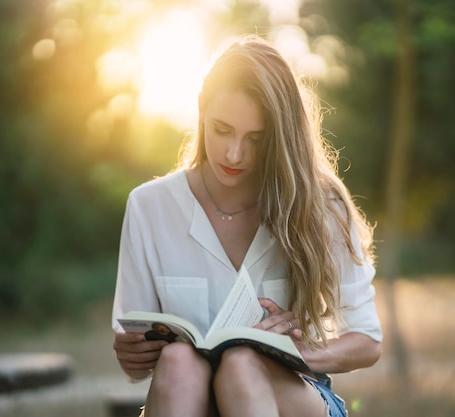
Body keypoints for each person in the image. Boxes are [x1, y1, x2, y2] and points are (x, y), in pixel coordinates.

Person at [111, 35, 383, 417]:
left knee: (240, 364)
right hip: (189, 399)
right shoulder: (148, 206)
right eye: (222, 130)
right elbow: (136, 361)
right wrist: (132, 355)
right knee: (177, 363)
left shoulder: (319, 204)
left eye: (256, 139)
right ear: (202, 109)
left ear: (280, 137)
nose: (234, 154)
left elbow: (368, 341)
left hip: (294, 398)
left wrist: (304, 352)